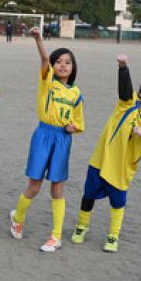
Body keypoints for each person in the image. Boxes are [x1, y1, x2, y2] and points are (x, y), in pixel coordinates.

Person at [70, 54, 141, 253]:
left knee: (117, 203)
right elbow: (124, 91)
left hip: (123, 169)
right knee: (88, 195)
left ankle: (113, 235)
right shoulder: (127, 106)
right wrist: (123, 68)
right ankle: (82, 226)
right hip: (101, 160)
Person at [9, 28, 84, 252]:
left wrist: (73, 127)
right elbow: (44, 58)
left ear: (73, 67)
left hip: (63, 140)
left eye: (67, 62)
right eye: (58, 61)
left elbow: (79, 121)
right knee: (34, 186)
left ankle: (56, 236)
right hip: (43, 136)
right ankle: (18, 218)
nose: (62, 65)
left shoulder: (76, 93)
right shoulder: (48, 82)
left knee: (57, 188)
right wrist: (38, 39)